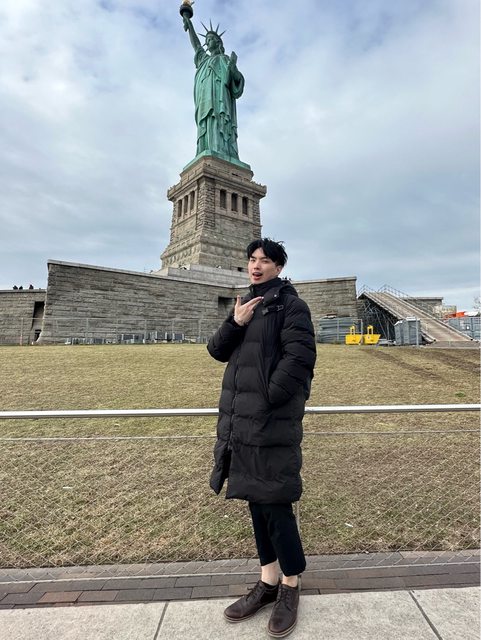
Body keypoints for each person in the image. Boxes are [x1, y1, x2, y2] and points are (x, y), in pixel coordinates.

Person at [207, 238, 317, 638]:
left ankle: (290, 585)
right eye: (252, 259)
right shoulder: (246, 305)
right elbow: (216, 351)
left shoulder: (291, 306)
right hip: (242, 423)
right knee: (257, 501)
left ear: (279, 267)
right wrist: (234, 323)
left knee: (276, 504)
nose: (256, 266)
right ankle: (268, 581)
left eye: (265, 261)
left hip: (271, 422)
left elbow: (300, 359)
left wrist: (268, 398)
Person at [182, 14, 244, 161]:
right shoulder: (204, 60)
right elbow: (196, 46)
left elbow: (237, 81)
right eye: (206, 40)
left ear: (217, 42)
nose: (207, 42)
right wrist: (189, 25)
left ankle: (222, 151)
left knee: (218, 122)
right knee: (207, 124)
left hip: (220, 100)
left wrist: (233, 69)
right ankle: (207, 150)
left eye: (210, 39)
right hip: (204, 101)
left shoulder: (224, 59)